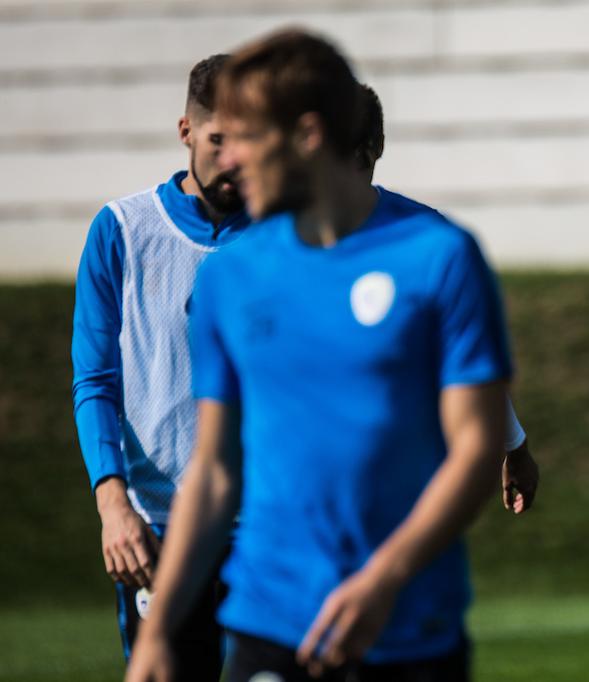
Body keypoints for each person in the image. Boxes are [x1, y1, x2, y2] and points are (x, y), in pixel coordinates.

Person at [127, 30, 517, 682]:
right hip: (268, 622)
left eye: (248, 138)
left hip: (410, 628)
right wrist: (157, 630)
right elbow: (215, 471)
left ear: (307, 135)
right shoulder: (232, 277)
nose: (232, 160)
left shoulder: (440, 257)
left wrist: (384, 578)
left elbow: (477, 450)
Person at [71, 54, 248, 680]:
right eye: (217, 139)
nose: (231, 158)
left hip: (263, 525)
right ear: (186, 132)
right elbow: (94, 380)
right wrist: (111, 503)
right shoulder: (121, 229)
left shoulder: (287, 236)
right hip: (157, 525)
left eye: (246, 141)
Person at [353, 83, 538, 514]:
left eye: (357, 142)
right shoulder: (272, 245)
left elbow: (465, 355)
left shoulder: (430, 238)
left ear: (377, 146)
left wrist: (514, 445)